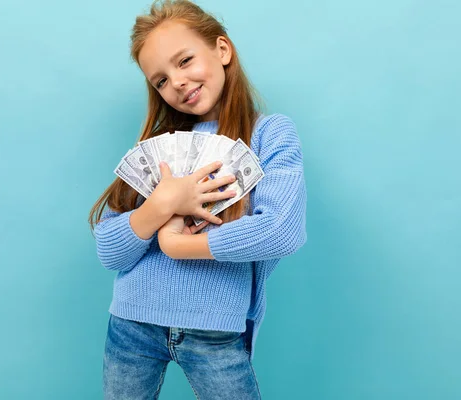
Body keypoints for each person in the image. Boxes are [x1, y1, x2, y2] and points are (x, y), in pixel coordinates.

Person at [87, 0, 307, 399]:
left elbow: (281, 230)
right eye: (160, 80)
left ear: (222, 50)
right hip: (130, 323)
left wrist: (178, 244)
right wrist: (162, 204)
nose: (177, 82)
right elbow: (108, 250)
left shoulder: (270, 134)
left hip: (214, 329)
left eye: (185, 60)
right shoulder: (158, 149)